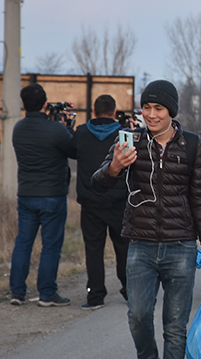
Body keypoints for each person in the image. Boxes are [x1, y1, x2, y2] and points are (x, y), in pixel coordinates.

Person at [91, 80, 201, 359]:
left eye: (158, 108)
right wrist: (115, 166)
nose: (151, 114)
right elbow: (97, 182)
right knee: (138, 316)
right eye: (146, 107)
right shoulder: (130, 140)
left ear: (171, 111)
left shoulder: (193, 145)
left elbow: (199, 198)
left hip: (181, 246)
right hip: (140, 244)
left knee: (175, 327)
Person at [10, 83, 76, 307]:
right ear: (45, 104)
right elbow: (73, 151)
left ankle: (17, 292)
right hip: (52, 195)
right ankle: (47, 293)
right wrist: (66, 127)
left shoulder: (18, 128)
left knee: (23, 243)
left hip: (26, 194)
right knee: (51, 246)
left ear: (23, 104)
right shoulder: (56, 130)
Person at [73, 94, 129, 310]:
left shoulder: (81, 133)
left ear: (94, 112)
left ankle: (95, 296)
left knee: (93, 249)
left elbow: (71, 149)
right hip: (118, 200)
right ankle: (129, 291)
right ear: (114, 112)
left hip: (90, 201)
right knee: (123, 248)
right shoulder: (123, 134)